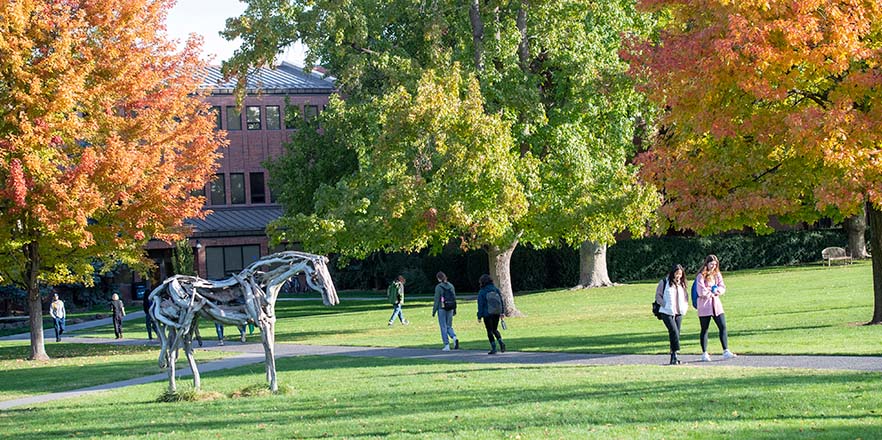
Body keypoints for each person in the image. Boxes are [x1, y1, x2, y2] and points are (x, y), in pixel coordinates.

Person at [695, 254, 737, 361]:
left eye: (715, 264)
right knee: (704, 329)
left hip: (716, 305)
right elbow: (701, 291)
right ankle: (704, 353)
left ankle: (726, 350)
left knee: (722, 326)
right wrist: (711, 292)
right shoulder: (701, 276)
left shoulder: (717, 274)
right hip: (705, 306)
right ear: (707, 263)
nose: (713, 266)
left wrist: (717, 291)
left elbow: (722, 287)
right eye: (711, 264)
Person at [655, 264, 689, 365]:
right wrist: (665, 305)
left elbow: (685, 296)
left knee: (676, 333)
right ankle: (675, 353)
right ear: (672, 273)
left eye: (680, 274)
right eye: (676, 273)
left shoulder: (681, 284)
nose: (678, 276)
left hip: (679, 312)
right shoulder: (664, 282)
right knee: (673, 331)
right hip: (667, 312)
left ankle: (674, 356)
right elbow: (658, 295)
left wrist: (685, 306)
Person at [476, 274, 506, 354]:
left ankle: (494, 348)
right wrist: (502, 312)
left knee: (489, 331)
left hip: (487, 313)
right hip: (496, 312)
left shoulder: (482, 291)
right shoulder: (495, 289)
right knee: (495, 329)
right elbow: (501, 301)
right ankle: (500, 341)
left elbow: (480, 304)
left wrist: (479, 316)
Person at [432, 271, 459, 351]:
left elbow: (437, 300)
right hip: (450, 307)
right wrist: (455, 309)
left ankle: (446, 344)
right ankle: (454, 337)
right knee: (449, 325)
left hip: (442, 308)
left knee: (443, 326)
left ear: (438, 278)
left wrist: (434, 311)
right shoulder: (451, 286)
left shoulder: (438, 287)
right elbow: (454, 298)